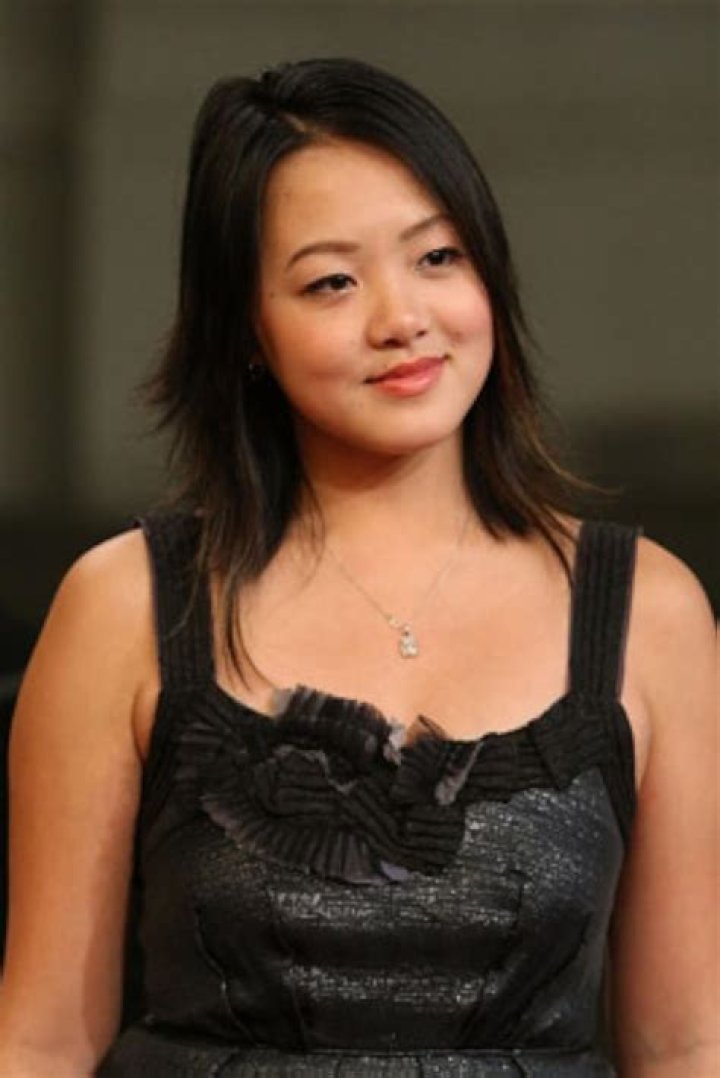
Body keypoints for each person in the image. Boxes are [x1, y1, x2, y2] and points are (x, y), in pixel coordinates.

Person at [0, 57, 716, 1077]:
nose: (401, 318)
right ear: (246, 330)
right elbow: (40, 1041)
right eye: (331, 281)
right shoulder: (126, 605)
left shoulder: (649, 609)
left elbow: (688, 1042)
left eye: (438, 257)